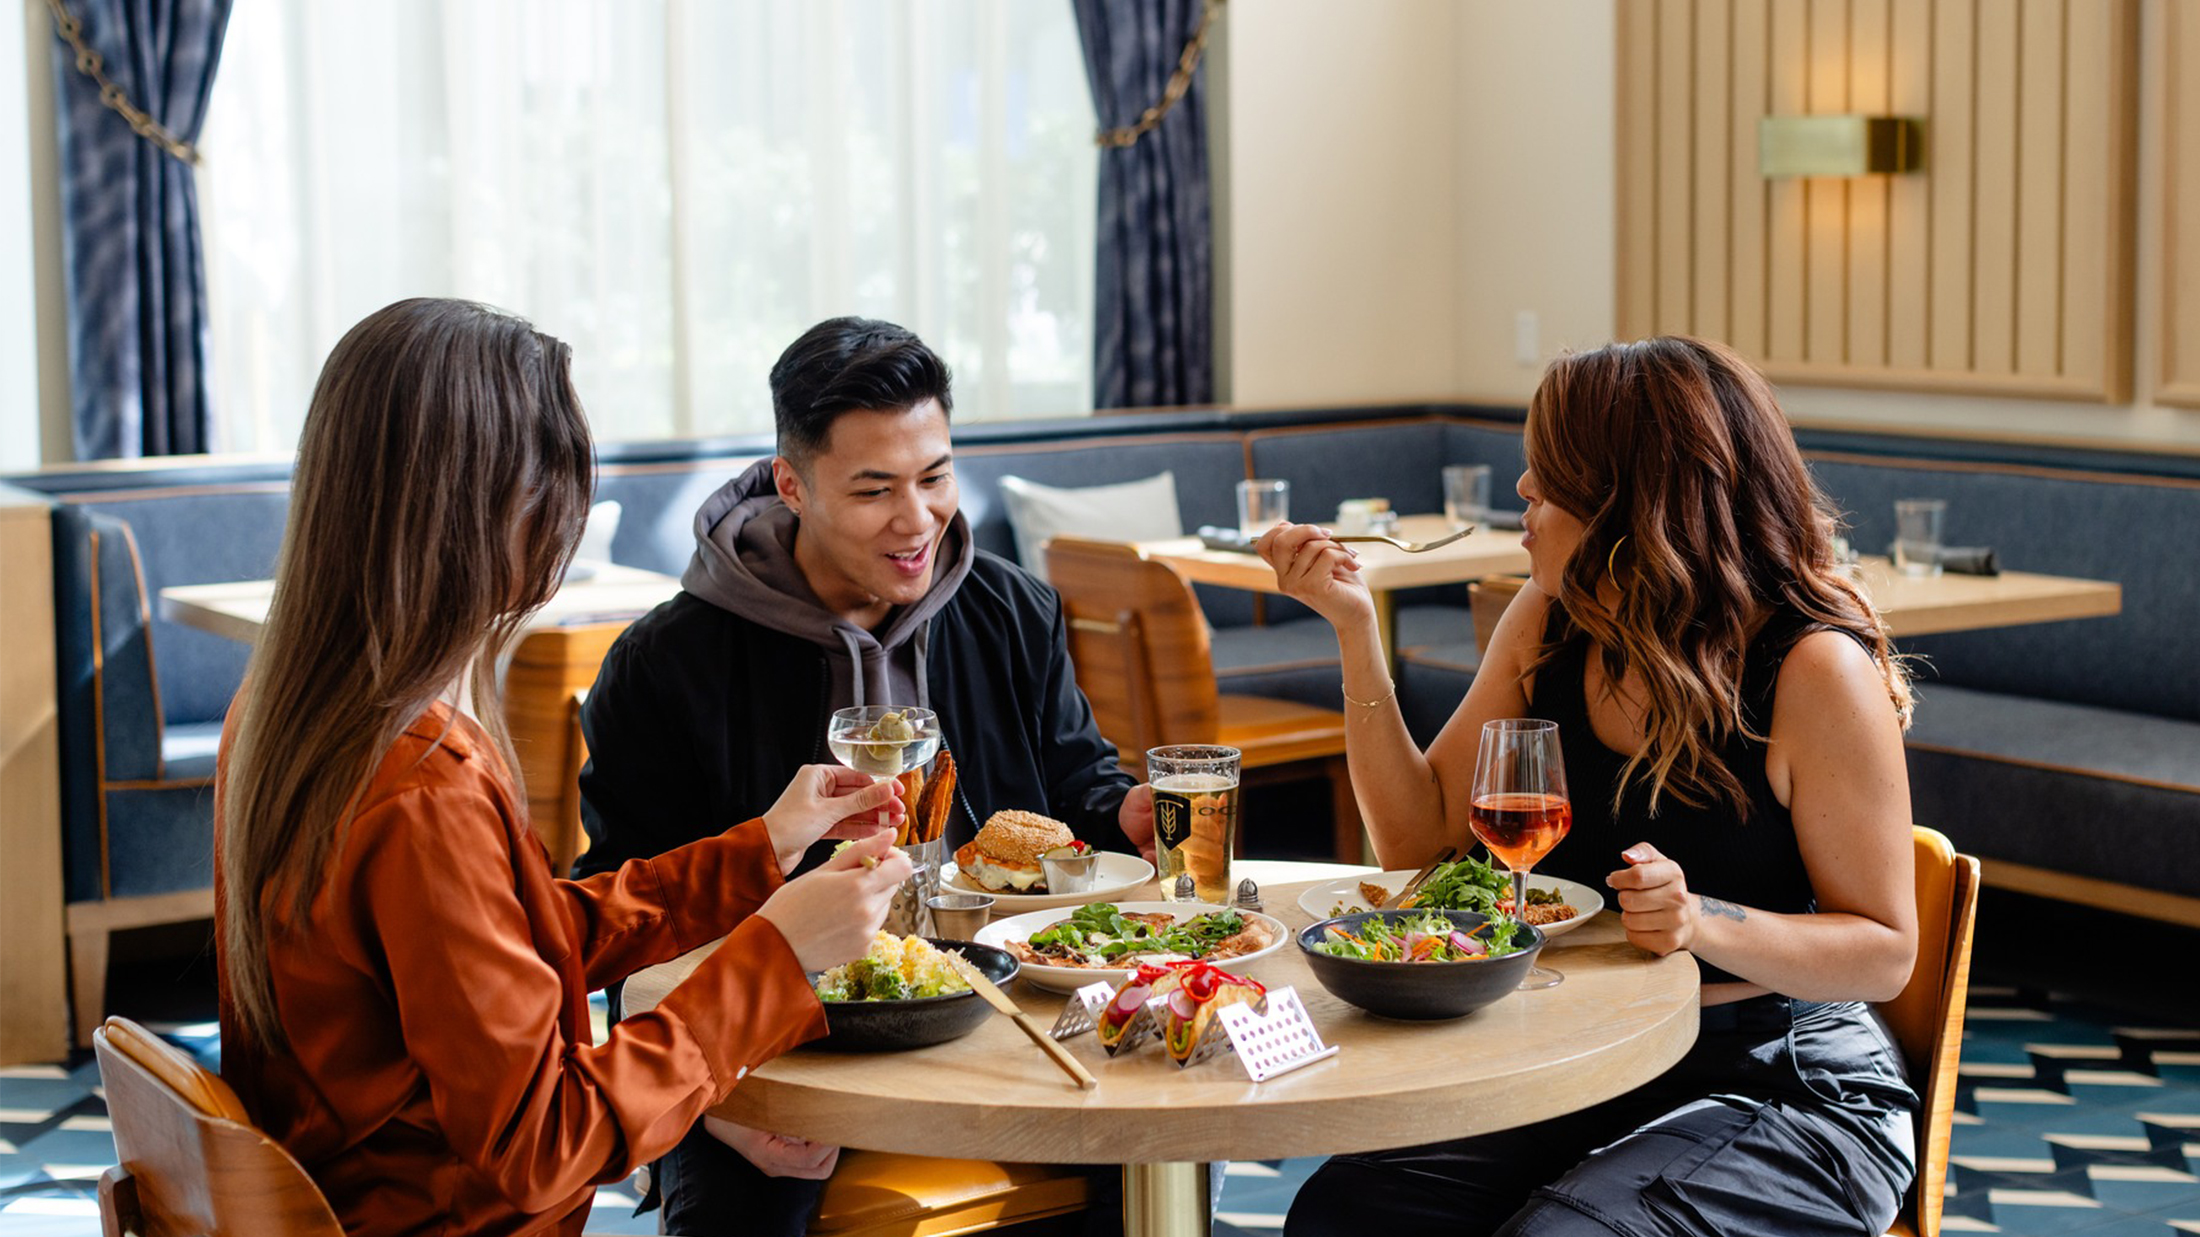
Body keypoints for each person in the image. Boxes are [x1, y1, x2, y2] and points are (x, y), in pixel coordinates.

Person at [214, 298, 915, 1237]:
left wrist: (762, 848)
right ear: (486, 507)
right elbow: (545, 1144)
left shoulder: (289, 714)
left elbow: (501, 948)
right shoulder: (422, 789)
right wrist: (777, 953)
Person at [1260, 336, 1921, 1236]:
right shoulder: (1552, 619)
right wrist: (1352, 629)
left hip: (1786, 1080)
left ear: (1633, 498)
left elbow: (1885, 950)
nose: (1524, 489)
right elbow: (1417, 842)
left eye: (1550, 470)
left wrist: (1703, 920)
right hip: (1590, 1056)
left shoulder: (1811, 668)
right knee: (1347, 1216)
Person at [575, 315, 1153, 1233]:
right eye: (875, 489)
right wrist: (718, 1101)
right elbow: (619, 912)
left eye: (936, 477)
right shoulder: (665, 662)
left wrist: (1129, 810)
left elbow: (1074, 791)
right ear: (792, 484)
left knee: (1149, 1178)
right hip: (772, 1046)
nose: (917, 517)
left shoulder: (1014, 610)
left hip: (1003, 1014)